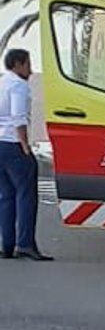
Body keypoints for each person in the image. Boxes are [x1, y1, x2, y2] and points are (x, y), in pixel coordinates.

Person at [0, 49, 50, 261]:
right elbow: (18, 117)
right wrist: (25, 146)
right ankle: (25, 243)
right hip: (13, 144)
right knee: (26, 194)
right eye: (28, 64)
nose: (31, 70)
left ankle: (7, 244)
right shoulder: (19, 86)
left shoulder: (2, 83)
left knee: (6, 196)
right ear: (18, 65)